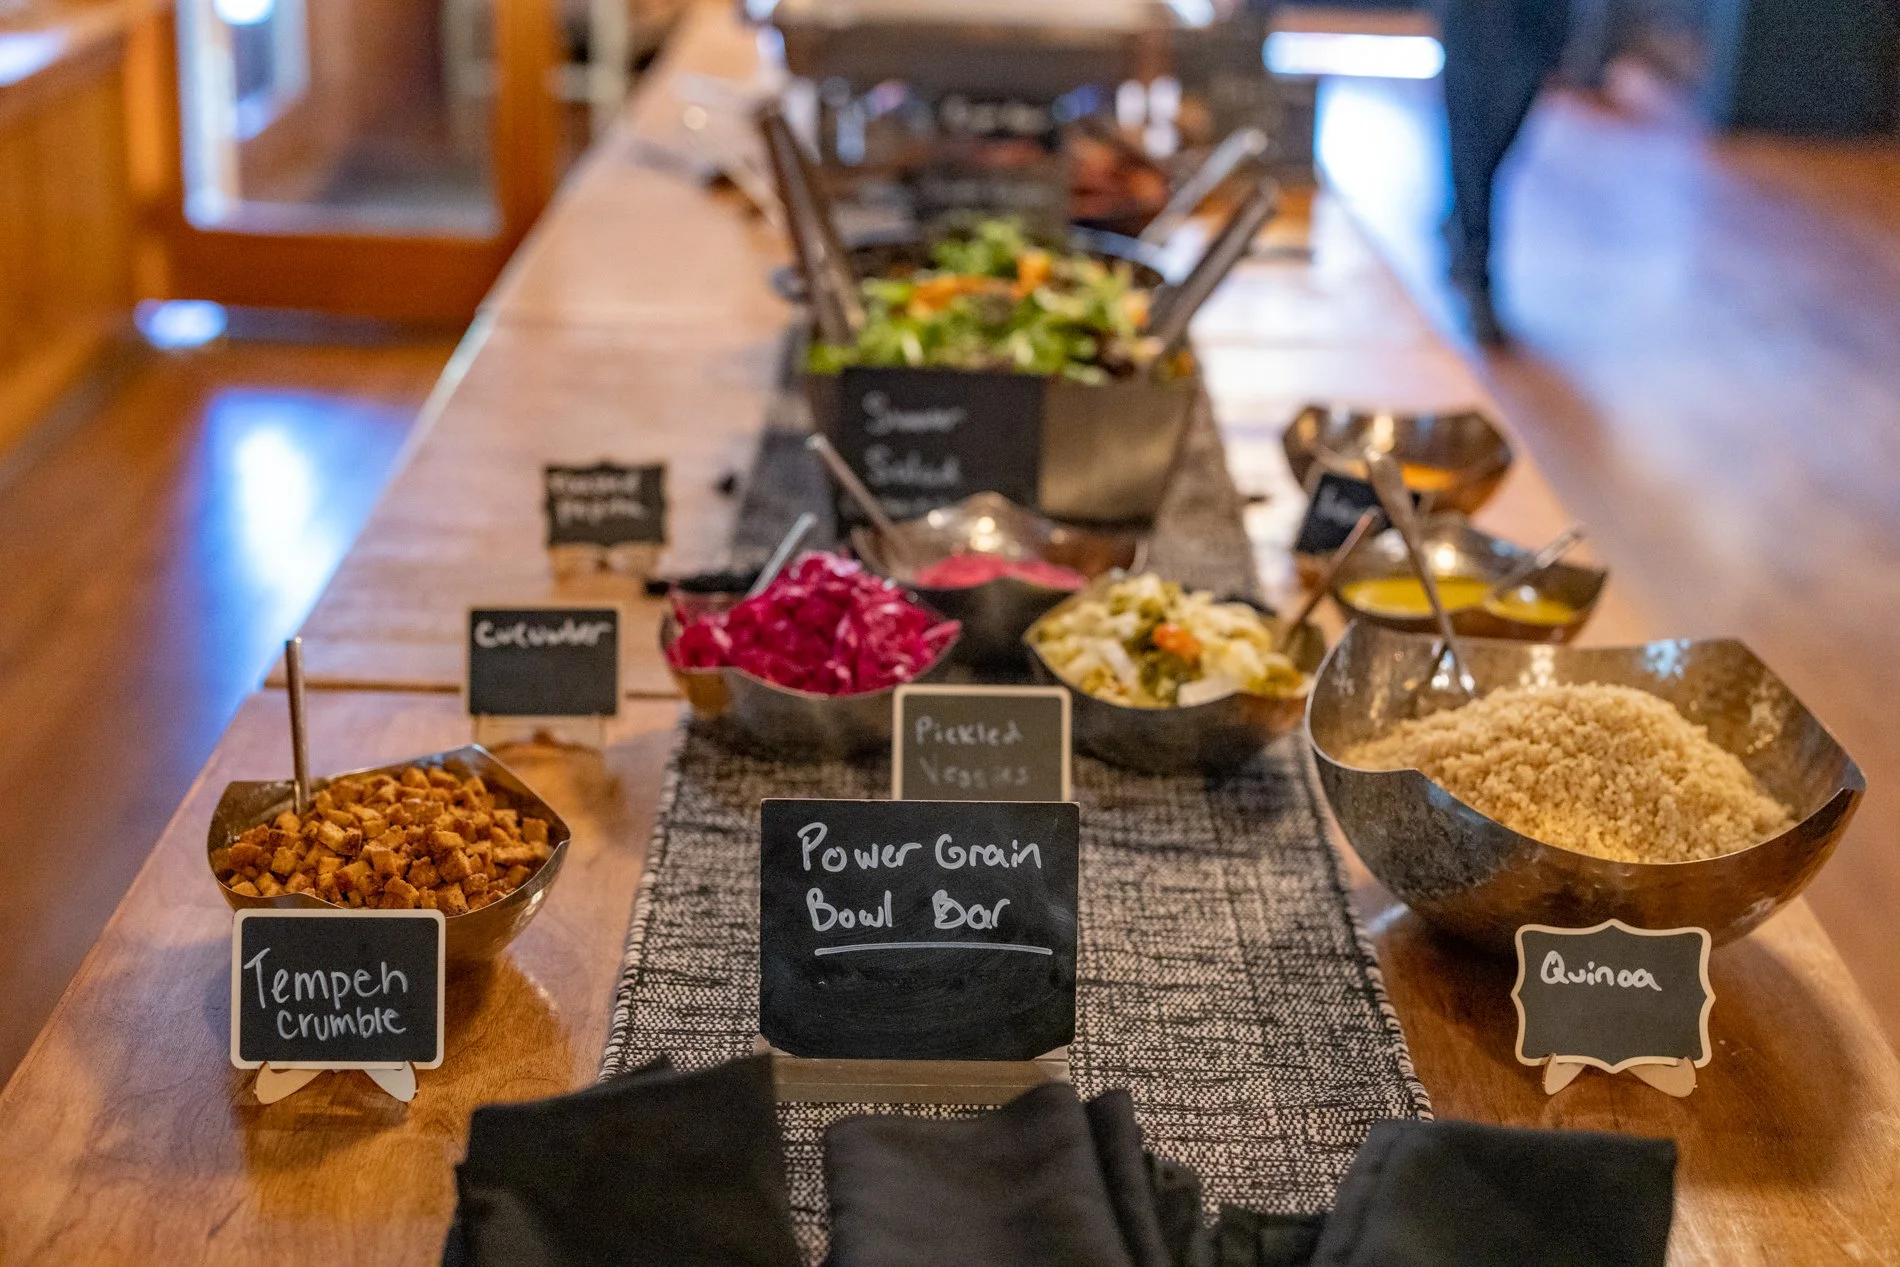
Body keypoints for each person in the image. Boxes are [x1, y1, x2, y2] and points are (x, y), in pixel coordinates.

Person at [1437, 0, 1573, 344]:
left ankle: (1462, 228)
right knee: (1471, 132)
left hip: (1534, 17)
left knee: (1504, 127)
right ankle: (1475, 270)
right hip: (1475, 14)